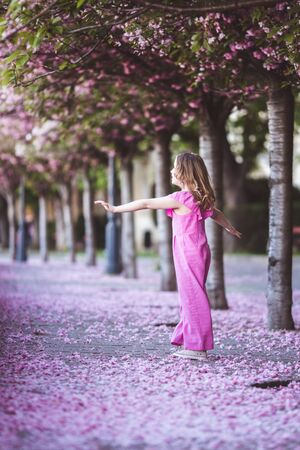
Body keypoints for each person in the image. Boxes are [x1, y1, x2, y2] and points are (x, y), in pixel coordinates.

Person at [95, 152, 241, 361]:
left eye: (175, 167)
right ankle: (191, 341)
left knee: (193, 296)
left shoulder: (180, 198)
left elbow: (145, 203)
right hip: (197, 250)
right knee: (190, 295)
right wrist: (230, 227)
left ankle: (198, 347)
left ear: (184, 173)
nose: (171, 171)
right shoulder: (198, 197)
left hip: (189, 251)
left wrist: (116, 209)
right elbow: (216, 213)